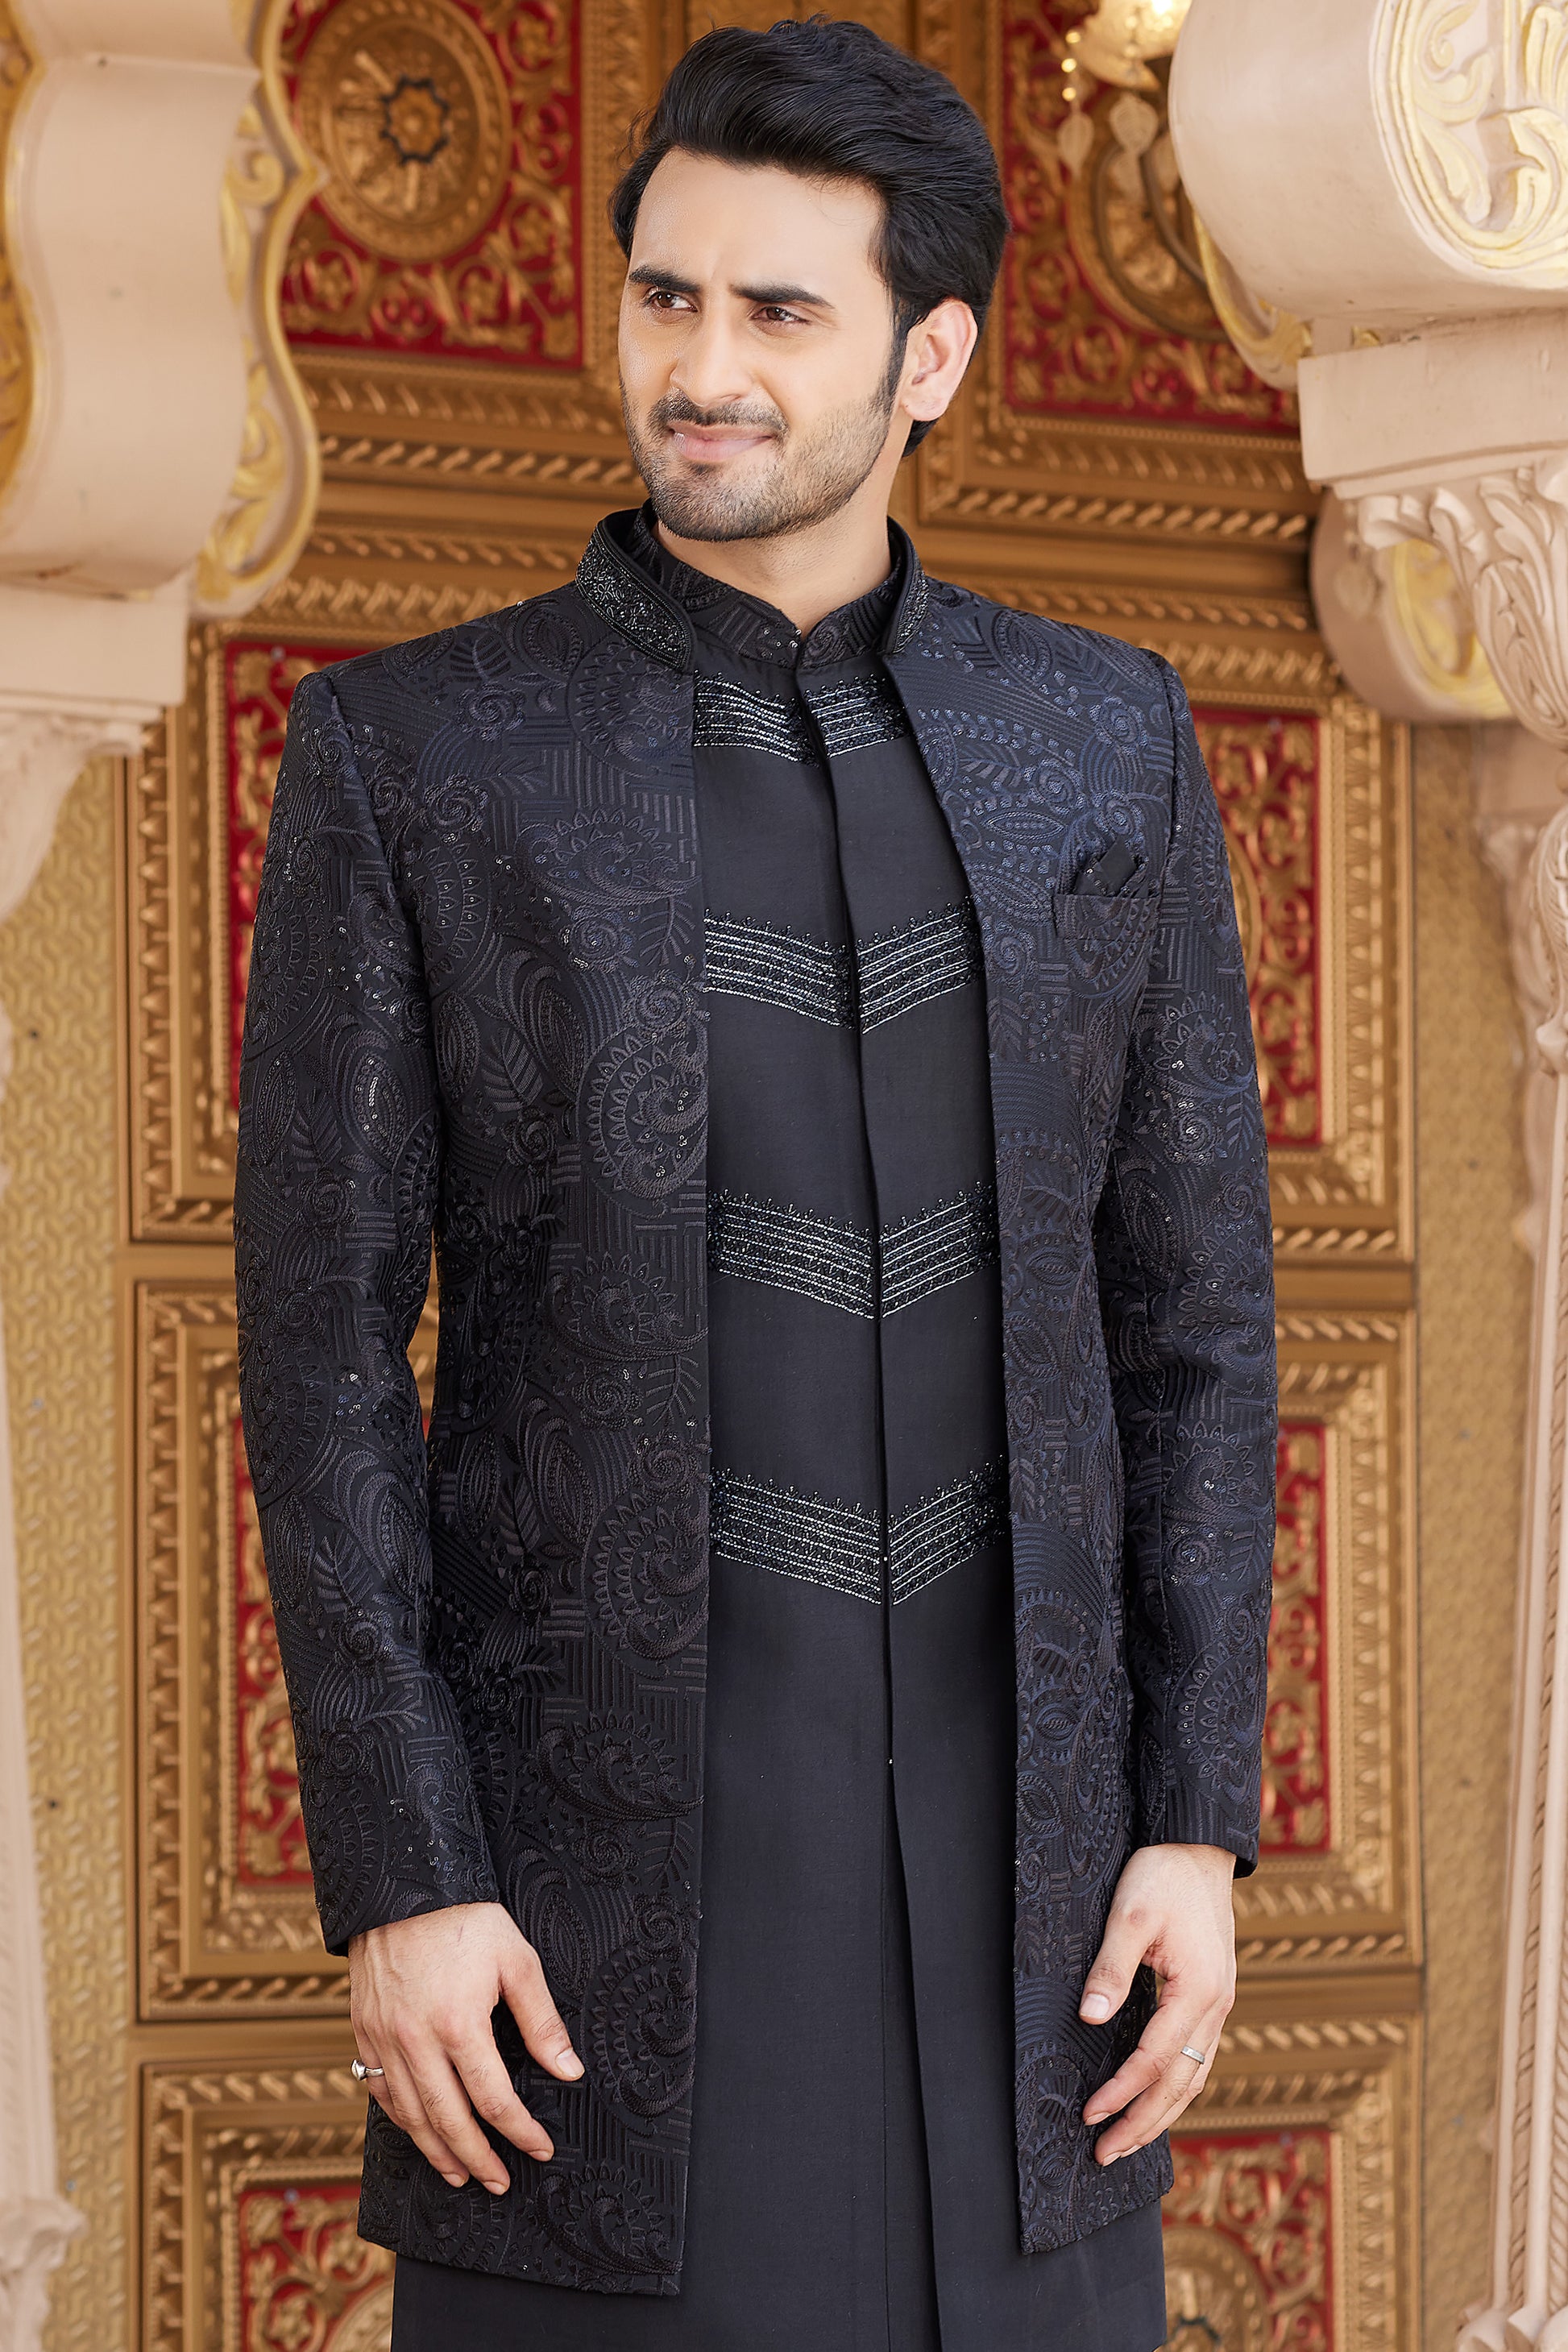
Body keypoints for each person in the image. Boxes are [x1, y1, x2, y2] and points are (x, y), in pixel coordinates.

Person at [234, 19, 1277, 2351]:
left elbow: (1196, 1324)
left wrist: (1196, 1819)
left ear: (932, 359)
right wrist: (400, 1878)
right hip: (573, 1957)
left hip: (1044, 1948)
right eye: (664, 297)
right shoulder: (416, 755)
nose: (699, 371)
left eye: (778, 312)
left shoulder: (1099, 741)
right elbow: (316, 1358)